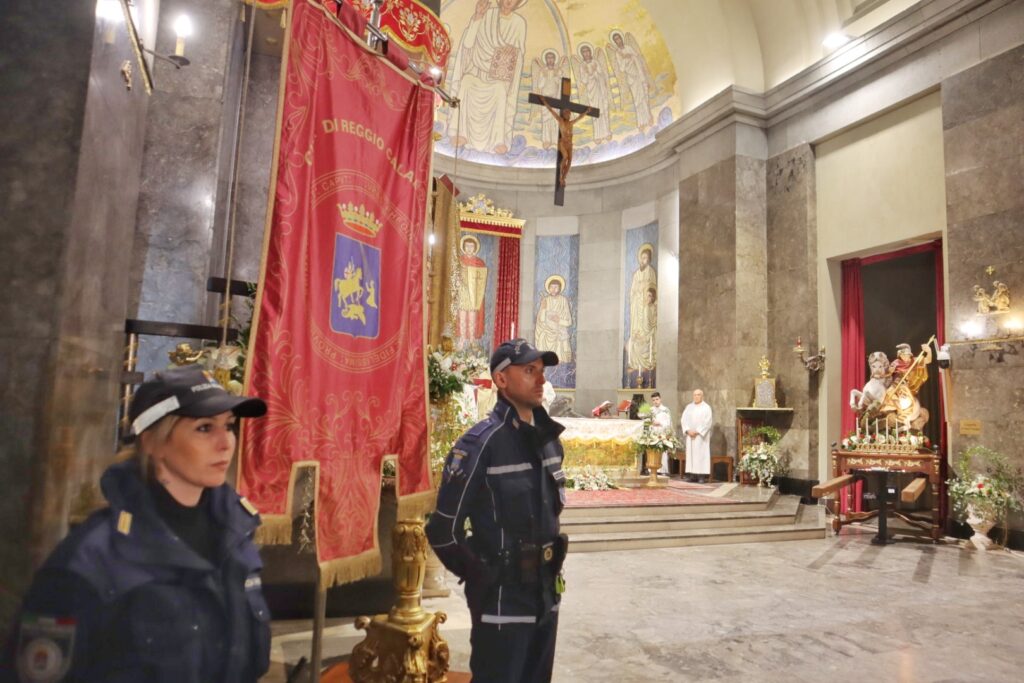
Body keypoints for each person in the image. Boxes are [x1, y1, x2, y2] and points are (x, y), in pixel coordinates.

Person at [1, 365, 270, 683]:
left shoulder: (235, 537)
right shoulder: (90, 559)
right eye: (203, 428)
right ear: (153, 442)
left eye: (229, 426)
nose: (225, 442)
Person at [426, 338, 568, 683]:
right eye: (529, 371)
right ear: (501, 380)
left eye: (542, 371)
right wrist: (481, 576)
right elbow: (442, 530)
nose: (541, 380)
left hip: (546, 598)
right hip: (502, 603)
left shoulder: (549, 440)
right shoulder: (480, 444)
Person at [446, 0, 528, 154]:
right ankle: (459, 131)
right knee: (466, 82)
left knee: (500, 91)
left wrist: (507, 56)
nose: (509, 1)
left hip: (499, 77)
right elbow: (469, 43)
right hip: (477, 71)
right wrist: (477, 17)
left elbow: (519, 55)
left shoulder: (519, 23)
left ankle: (498, 139)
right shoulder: (488, 14)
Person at [606, 30, 654, 132]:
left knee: (644, 97)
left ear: (621, 38)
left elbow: (637, 58)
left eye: (618, 38)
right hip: (631, 79)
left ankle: (649, 117)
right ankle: (641, 122)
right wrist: (625, 59)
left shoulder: (628, 48)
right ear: (614, 42)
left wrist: (631, 56)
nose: (618, 41)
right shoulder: (618, 54)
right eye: (616, 40)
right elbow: (622, 68)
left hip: (638, 75)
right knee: (638, 99)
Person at [626, 245, 657, 387]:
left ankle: (647, 364)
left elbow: (653, 288)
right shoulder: (636, 274)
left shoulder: (651, 271)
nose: (644, 260)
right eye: (642, 258)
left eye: (646, 258)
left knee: (646, 334)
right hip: (637, 305)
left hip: (646, 306)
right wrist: (637, 292)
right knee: (635, 336)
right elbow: (632, 291)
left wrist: (646, 292)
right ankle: (634, 363)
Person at [571, 43, 612, 144]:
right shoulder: (582, 66)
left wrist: (595, 73)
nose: (586, 53)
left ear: (590, 52)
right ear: (582, 54)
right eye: (584, 52)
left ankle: (607, 132)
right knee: (595, 113)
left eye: (587, 51)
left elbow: (602, 75)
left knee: (603, 111)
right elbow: (584, 81)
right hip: (592, 92)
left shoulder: (596, 62)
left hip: (600, 90)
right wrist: (589, 74)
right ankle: (598, 135)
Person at [456, 234, 488, 348]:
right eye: (467, 246)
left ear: (475, 248)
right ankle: (463, 338)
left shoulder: (479, 262)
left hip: (474, 293)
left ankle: (472, 338)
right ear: (463, 247)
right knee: (463, 315)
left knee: (473, 316)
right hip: (463, 291)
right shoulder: (459, 261)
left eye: (471, 246)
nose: (469, 248)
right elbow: (454, 276)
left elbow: (481, 279)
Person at [534, 274, 573, 363]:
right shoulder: (546, 300)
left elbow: (569, 322)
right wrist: (543, 308)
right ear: (548, 288)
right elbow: (541, 320)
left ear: (560, 288)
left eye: (556, 287)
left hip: (559, 331)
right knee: (542, 337)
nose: (553, 289)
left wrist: (558, 320)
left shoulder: (563, 300)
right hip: (547, 330)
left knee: (560, 342)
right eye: (551, 287)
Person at [680, 388, 712, 482]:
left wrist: (697, 431)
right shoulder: (689, 407)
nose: (696, 396)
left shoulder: (706, 407)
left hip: (700, 436)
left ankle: (701, 476)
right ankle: (691, 475)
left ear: (702, 396)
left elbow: (708, 422)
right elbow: (683, 420)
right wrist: (687, 430)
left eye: (698, 395)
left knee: (700, 455)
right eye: (694, 395)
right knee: (691, 455)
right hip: (690, 435)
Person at [649, 392, 672, 475]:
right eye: (653, 400)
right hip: (653, 433)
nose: (655, 401)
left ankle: (663, 470)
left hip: (662, 433)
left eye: (657, 399)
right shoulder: (651, 410)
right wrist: (651, 423)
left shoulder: (665, 410)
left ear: (660, 399)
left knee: (662, 453)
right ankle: (652, 469)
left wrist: (660, 423)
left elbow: (668, 423)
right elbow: (647, 422)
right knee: (653, 451)